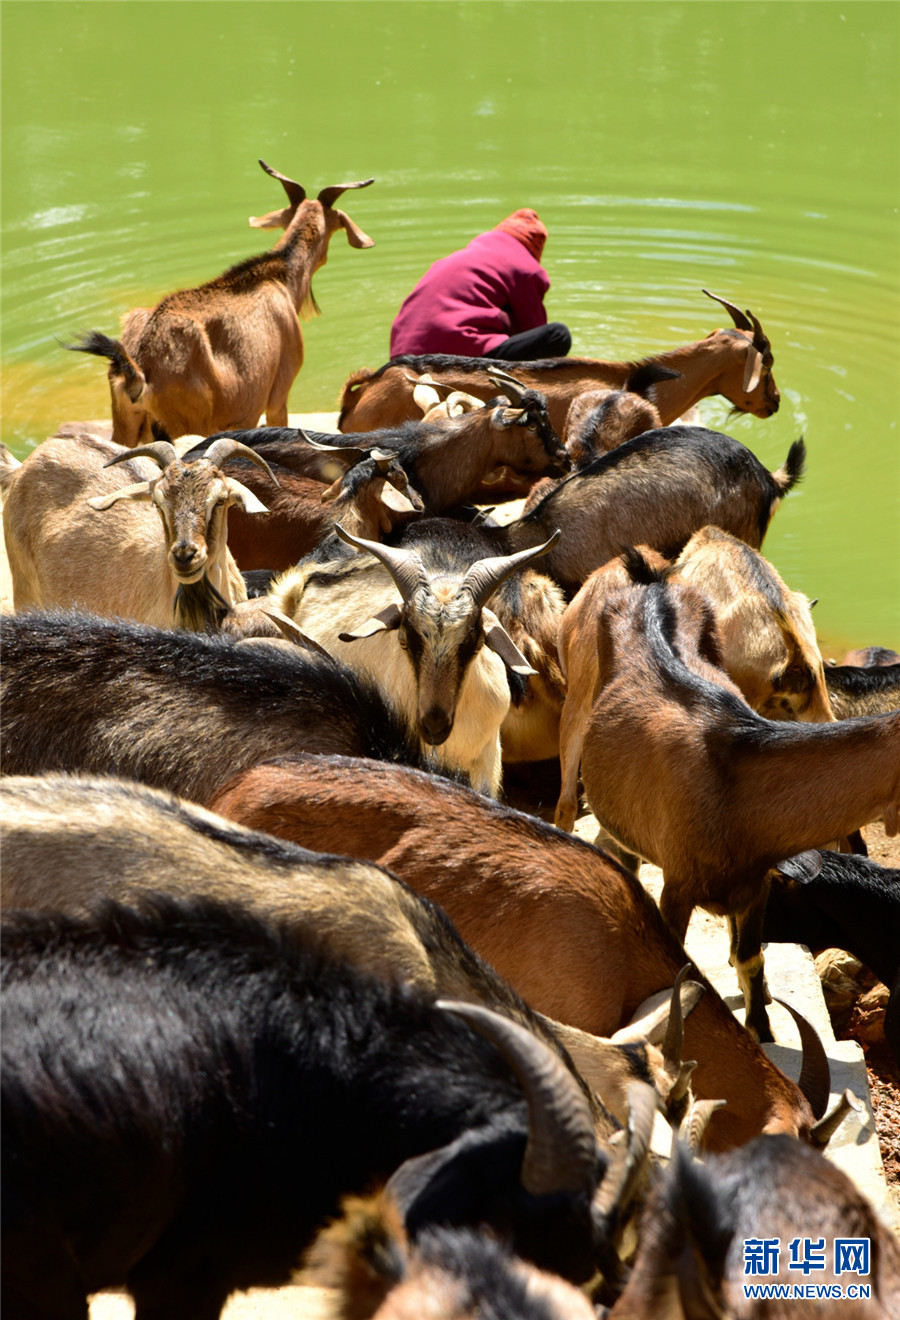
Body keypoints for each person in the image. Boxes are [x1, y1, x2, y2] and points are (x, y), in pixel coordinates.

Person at [389, 208, 572, 361]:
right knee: (557, 335)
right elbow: (533, 329)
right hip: (455, 352)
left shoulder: (462, 257)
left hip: (401, 355)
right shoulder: (526, 267)